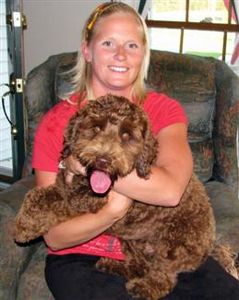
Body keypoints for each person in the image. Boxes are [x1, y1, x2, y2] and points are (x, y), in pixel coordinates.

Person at [31, 2, 239, 300]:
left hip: (162, 250)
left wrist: (84, 164)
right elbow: (54, 236)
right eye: (108, 43)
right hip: (83, 258)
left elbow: (170, 191)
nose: (121, 55)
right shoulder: (56, 123)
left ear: (143, 55)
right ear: (87, 51)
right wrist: (113, 211)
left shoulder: (164, 110)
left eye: (131, 44)